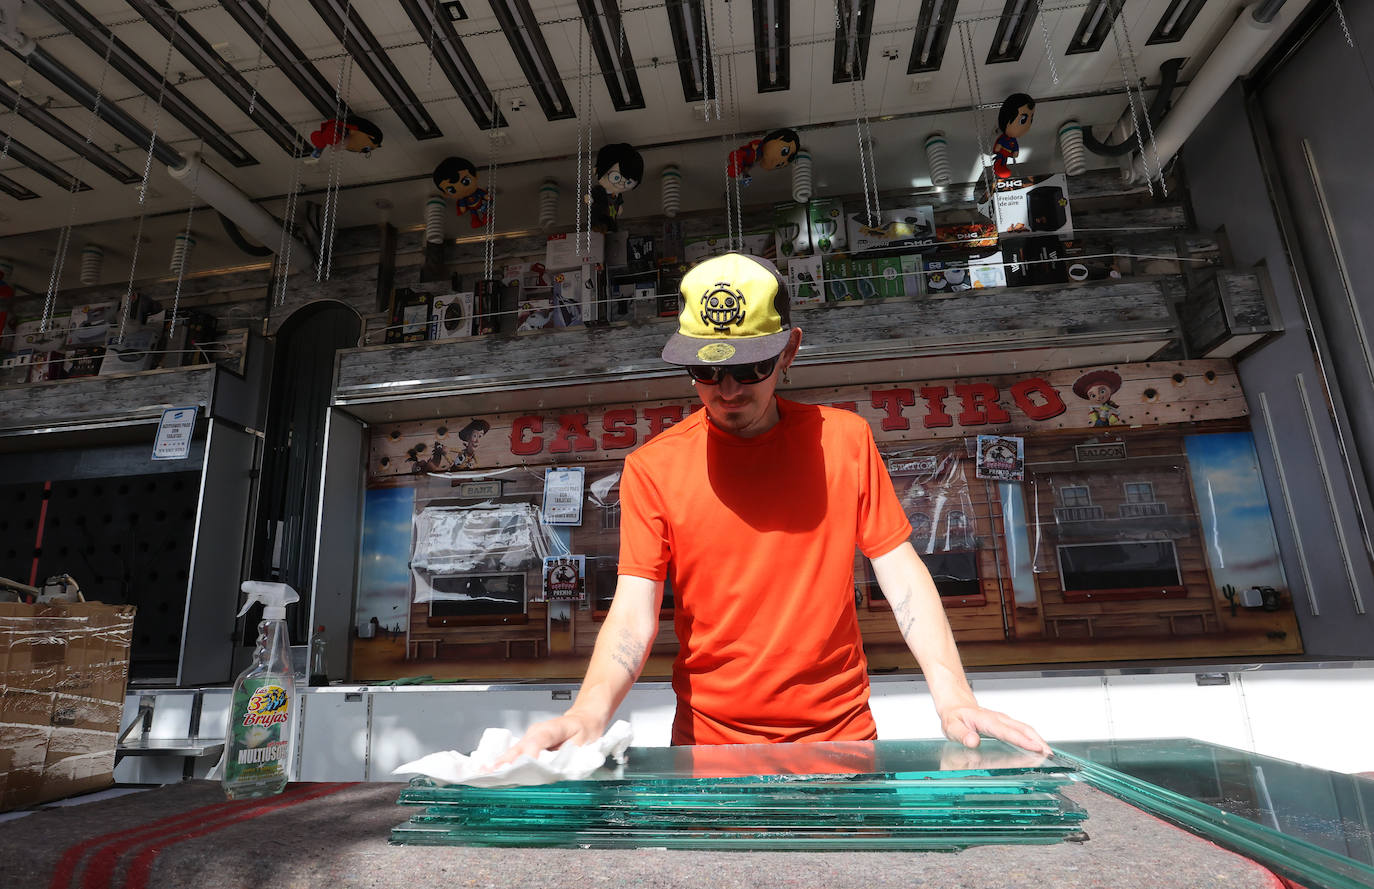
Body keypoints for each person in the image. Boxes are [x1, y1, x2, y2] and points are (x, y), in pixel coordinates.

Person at [504, 253, 1048, 759]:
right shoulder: (653, 468)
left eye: (750, 367)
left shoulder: (844, 441)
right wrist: (589, 710)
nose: (727, 390)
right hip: (708, 748)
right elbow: (633, 608)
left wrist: (955, 699)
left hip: (842, 738)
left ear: (789, 350)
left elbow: (902, 575)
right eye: (706, 370)